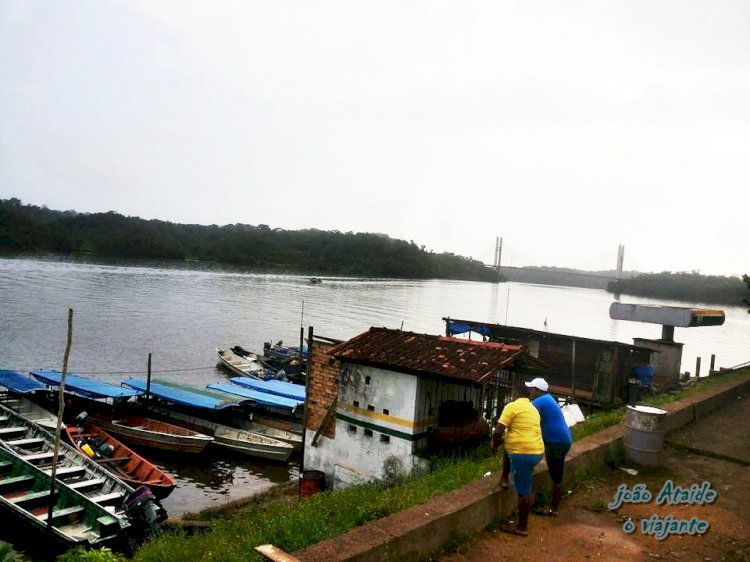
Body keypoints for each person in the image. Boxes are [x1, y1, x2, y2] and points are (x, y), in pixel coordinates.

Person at [492, 380, 544, 537]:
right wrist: (502, 442)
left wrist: (494, 446)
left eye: (512, 394)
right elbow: (515, 433)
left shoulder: (512, 407)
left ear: (515, 394)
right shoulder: (533, 409)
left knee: (523, 491)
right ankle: (504, 479)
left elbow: (497, 431)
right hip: (537, 452)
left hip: (523, 454)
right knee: (509, 446)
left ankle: (522, 527)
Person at [525, 377, 573, 516]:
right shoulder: (548, 399)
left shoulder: (538, 402)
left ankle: (553, 508)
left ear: (537, 390)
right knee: (557, 473)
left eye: (532, 388)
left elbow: (527, 418)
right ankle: (555, 503)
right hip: (562, 439)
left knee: (556, 475)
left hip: (556, 442)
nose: (530, 391)